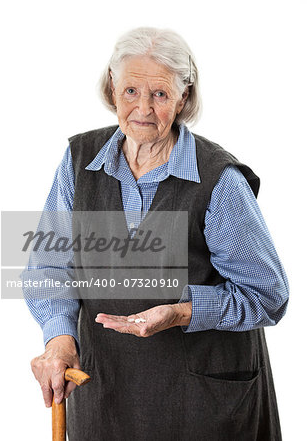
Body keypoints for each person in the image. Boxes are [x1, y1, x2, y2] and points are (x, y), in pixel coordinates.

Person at [23, 27, 289, 440]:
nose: (143, 108)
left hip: (204, 403)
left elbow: (269, 295)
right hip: (105, 391)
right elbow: (48, 266)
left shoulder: (218, 180)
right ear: (112, 87)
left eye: (160, 94)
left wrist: (181, 311)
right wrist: (59, 337)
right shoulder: (79, 161)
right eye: (130, 90)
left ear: (184, 97)